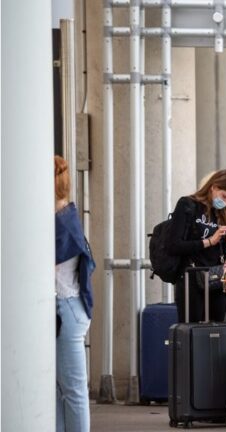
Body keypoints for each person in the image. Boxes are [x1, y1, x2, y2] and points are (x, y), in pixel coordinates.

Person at [166, 169, 226, 323]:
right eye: (224, 196)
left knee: (216, 330)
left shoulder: (223, 212)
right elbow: (174, 245)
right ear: (214, 187)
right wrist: (208, 241)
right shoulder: (187, 204)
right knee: (192, 330)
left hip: (216, 278)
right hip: (191, 277)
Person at [54, 156, 95, 432]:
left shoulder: (60, 224)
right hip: (68, 308)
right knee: (61, 390)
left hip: (66, 309)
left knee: (73, 390)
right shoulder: (66, 215)